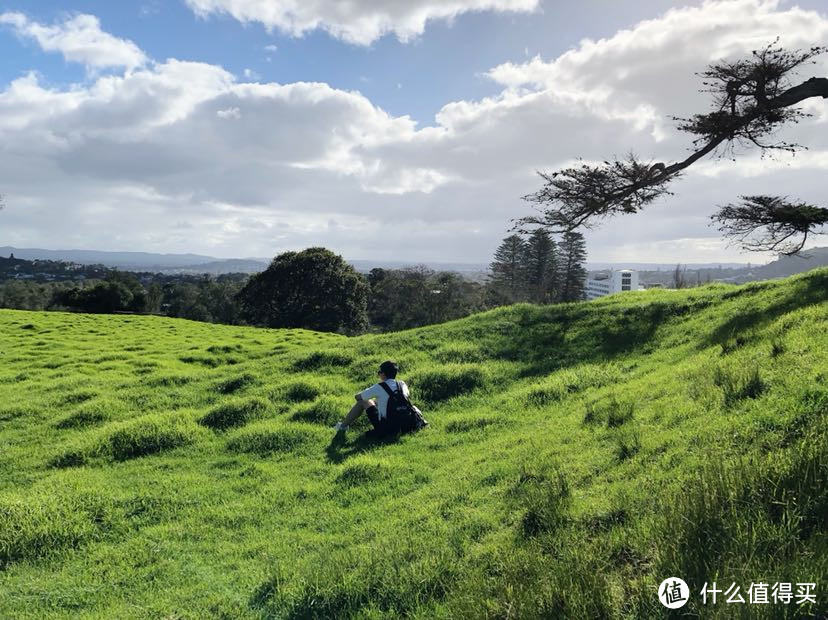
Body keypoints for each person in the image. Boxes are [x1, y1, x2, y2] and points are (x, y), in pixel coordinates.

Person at [333, 360, 424, 434]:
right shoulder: (402, 384)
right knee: (377, 401)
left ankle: (342, 426)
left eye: (379, 372)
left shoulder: (380, 386)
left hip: (388, 427)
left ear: (383, 374)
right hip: (406, 423)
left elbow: (358, 397)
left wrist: (372, 399)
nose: (378, 374)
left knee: (363, 402)